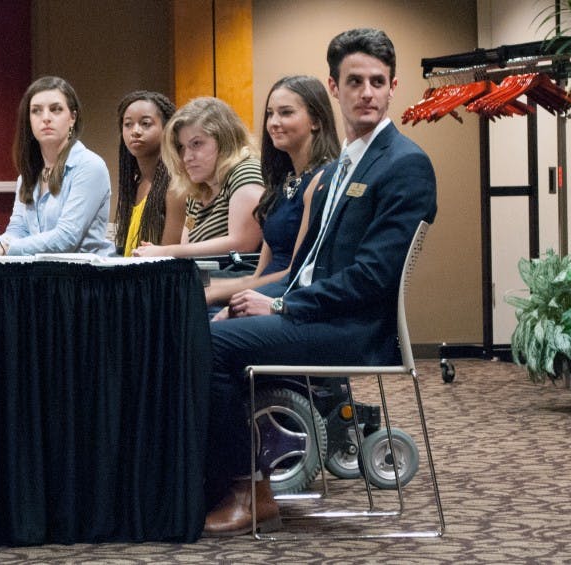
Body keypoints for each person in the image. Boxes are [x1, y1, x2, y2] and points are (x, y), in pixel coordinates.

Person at [202, 28, 438, 537]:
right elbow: (305, 266)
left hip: (356, 331)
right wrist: (256, 298)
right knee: (197, 323)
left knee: (212, 344)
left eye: (378, 81)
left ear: (394, 86)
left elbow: (372, 279)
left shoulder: (405, 165)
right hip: (317, 313)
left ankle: (249, 491)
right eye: (355, 81)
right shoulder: (336, 171)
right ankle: (201, 483)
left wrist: (281, 309)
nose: (367, 92)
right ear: (334, 88)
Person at [206, 75, 340, 310]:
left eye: (286, 113)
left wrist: (221, 293)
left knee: (195, 322)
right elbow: (259, 274)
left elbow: (294, 274)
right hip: (264, 288)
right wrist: (211, 288)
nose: (273, 122)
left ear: (316, 121)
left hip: (285, 297)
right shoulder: (285, 181)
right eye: (270, 113)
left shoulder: (321, 180)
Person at [0, 76, 114, 256]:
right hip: (41, 276)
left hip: (85, 278)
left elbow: (66, 238)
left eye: (56, 109)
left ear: (72, 118)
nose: (45, 118)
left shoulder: (90, 166)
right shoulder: (27, 175)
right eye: (36, 111)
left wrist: (4, 249)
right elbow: (18, 230)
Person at [131, 97, 264, 258]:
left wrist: (166, 251)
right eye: (181, 147)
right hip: (205, 279)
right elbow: (186, 248)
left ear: (224, 140)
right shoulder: (197, 191)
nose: (187, 157)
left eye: (196, 144)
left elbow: (243, 243)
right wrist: (158, 253)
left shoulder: (246, 172)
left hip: (239, 279)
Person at [114, 90, 187, 257]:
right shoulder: (136, 183)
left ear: (167, 128)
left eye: (146, 123)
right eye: (128, 124)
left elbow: (168, 257)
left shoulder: (175, 185)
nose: (135, 131)